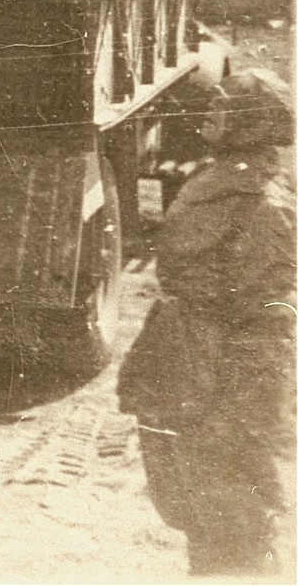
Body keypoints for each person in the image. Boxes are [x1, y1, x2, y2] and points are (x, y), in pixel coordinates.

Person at [118, 68, 296, 577]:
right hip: (191, 363)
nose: (210, 114)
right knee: (195, 503)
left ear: (252, 124)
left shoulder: (262, 202)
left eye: (224, 107)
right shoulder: (224, 177)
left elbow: (268, 322)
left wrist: (240, 412)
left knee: (235, 517)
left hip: (226, 383)